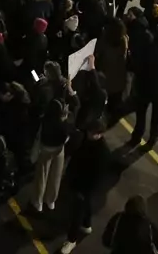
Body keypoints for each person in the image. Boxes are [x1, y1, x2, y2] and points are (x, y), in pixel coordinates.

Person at [59, 117, 112, 254]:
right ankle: (86, 224)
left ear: (100, 134)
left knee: (77, 213)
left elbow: (97, 177)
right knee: (84, 206)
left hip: (84, 187)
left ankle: (71, 240)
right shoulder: (88, 140)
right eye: (89, 132)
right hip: (79, 181)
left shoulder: (102, 153)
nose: (89, 134)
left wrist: (84, 191)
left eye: (92, 133)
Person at [30, 97, 74, 213]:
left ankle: (38, 201)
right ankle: (50, 200)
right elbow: (66, 138)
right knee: (56, 175)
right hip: (59, 150)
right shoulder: (63, 125)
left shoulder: (44, 120)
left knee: (42, 176)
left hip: (45, 150)